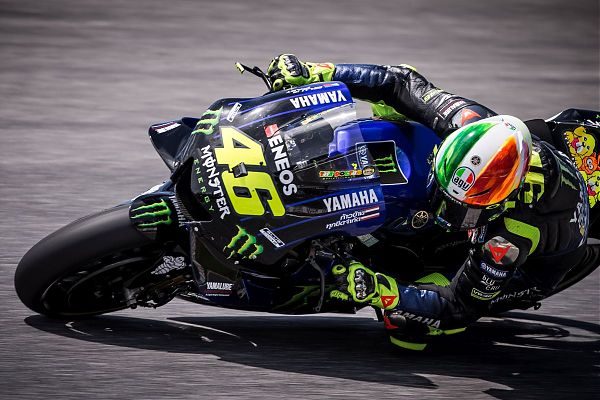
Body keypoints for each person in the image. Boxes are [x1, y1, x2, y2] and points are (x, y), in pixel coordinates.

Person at [266, 54, 598, 350]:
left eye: (463, 209)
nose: (447, 210)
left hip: (526, 270)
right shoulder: (470, 122)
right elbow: (399, 81)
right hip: (538, 162)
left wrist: (381, 290)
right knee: (396, 112)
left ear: (501, 202)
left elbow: (457, 307)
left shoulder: (508, 238)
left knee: (408, 326)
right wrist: (318, 72)